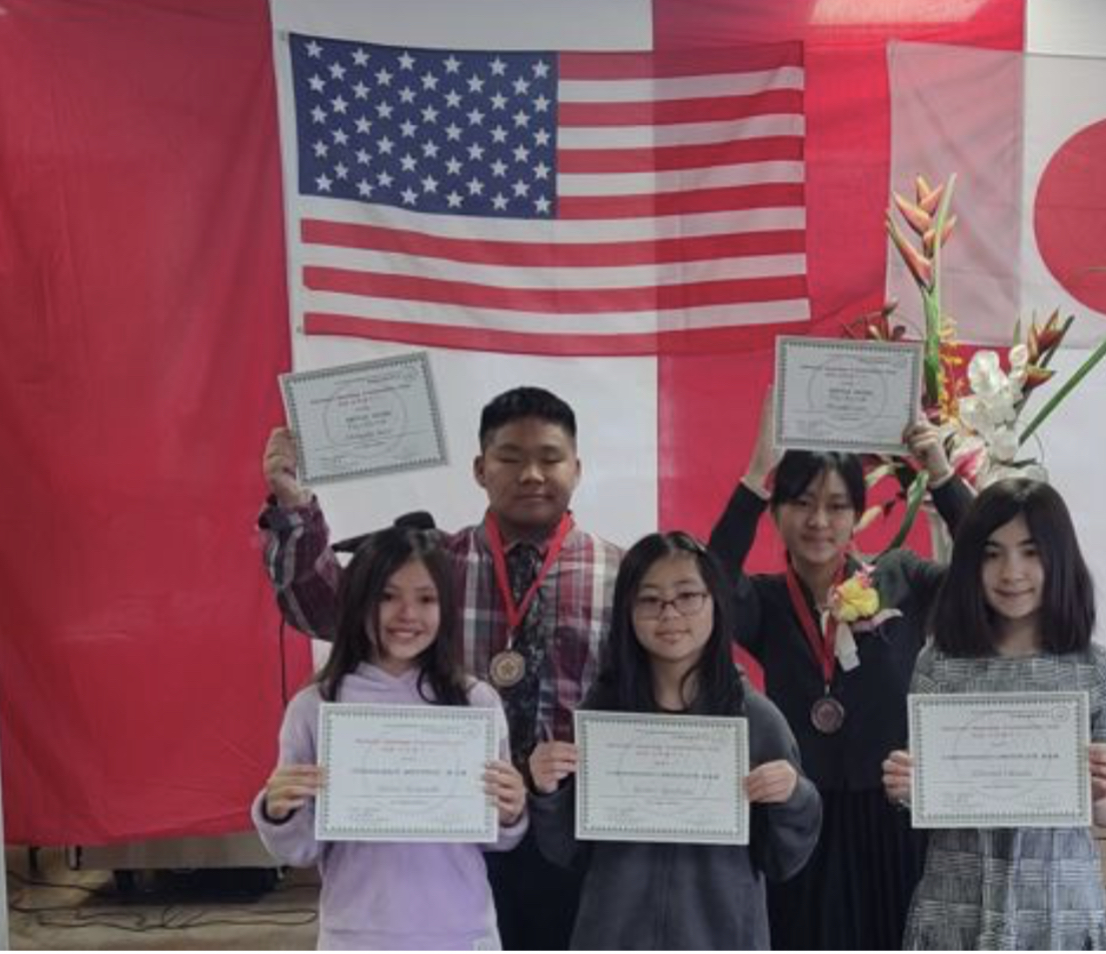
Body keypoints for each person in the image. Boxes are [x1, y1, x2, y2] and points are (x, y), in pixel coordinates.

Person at [259, 386, 620, 949]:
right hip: (438, 841)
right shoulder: (431, 562)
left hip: (564, 829)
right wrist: (293, 506)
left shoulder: (620, 575)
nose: (531, 474)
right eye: (509, 457)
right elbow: (319, 604)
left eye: (550, 458)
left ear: (577, 468)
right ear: (479, 468)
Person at [707, 393, 971, 949]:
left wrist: (943, 476)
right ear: (777, 512)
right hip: (801, 819)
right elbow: (708, 583)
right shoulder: (763, 602)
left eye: (836, 505)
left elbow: (984, 566)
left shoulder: (900, 578)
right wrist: (756, 473)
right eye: (801, 503)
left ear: (857, 514)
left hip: (892, 822)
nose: (819, 521)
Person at [526, 531, 821, 949]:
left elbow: (784, 859)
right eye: (649, 600)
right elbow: (567, 851)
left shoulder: (755, 718)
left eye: (688, 596)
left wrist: (793, 797)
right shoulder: (603, 715)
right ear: (626, 611)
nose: (669, 614)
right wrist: (548, 792)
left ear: (715, 602)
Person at [884, 477, 1106, 950]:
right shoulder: (938, 665)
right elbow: (928, 793)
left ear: (1059, 559)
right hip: (953, 909)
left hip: (1058, 913)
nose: (1011, 572)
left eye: (1030, 551)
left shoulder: (1098, 671)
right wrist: (907, 787)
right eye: (991, 553)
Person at [253, 527, 528, 950]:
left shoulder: (475, 702)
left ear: (445, 608)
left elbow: (494, 837)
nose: (407, 614)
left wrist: (510, 813)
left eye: (426, 598)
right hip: (356, 933)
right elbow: (302, 849)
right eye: (386, 596)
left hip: (461, 928)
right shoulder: (317, 707)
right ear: (357, 600)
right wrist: (278, 812)